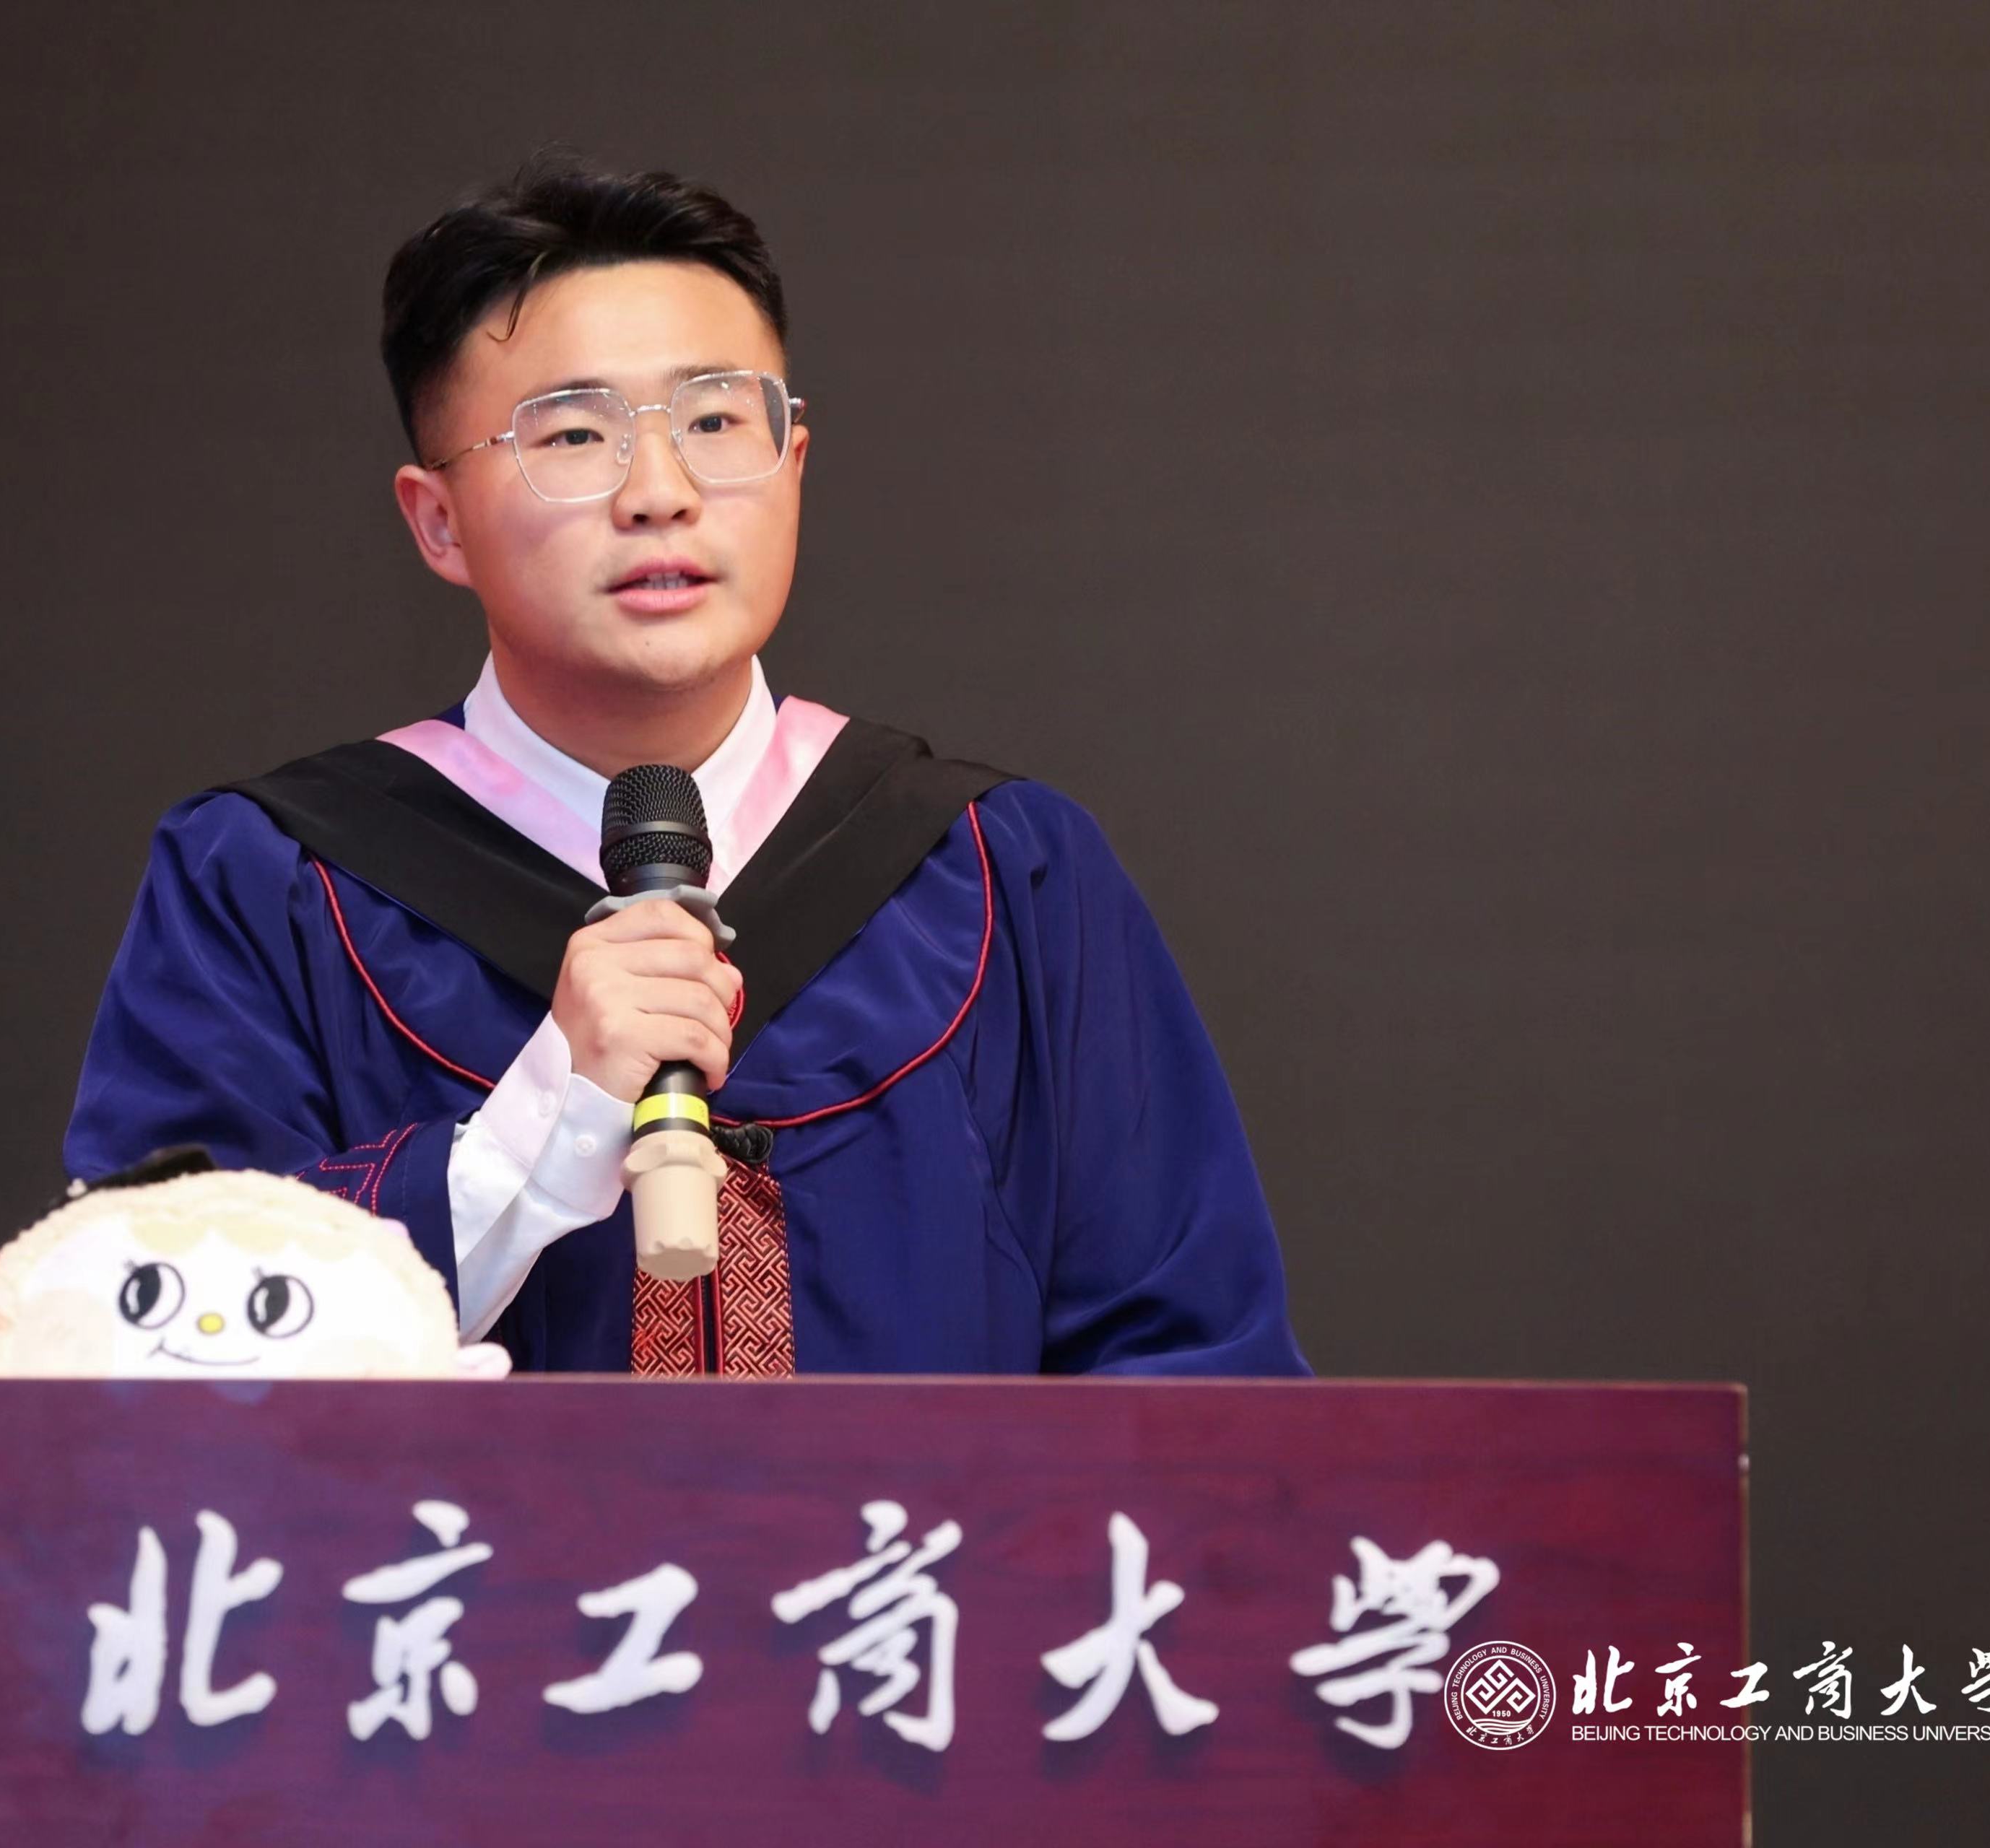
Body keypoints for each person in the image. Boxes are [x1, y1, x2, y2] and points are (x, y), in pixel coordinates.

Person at [64, 156, 1307, 1378]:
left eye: (715, 421)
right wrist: (532, 1134)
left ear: (795, 463)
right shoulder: (266, 885)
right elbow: (148, 1359)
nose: (659, 493)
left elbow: (1196, 1380)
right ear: (438, 522)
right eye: (574, 434)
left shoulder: (1001, 875)